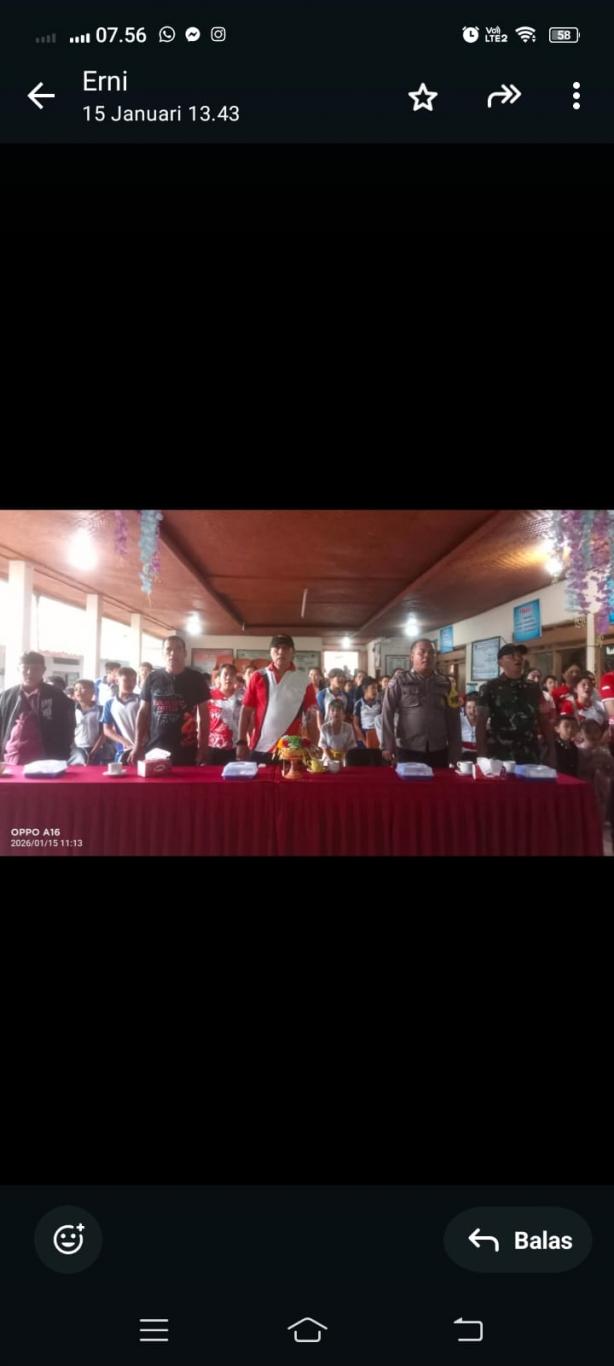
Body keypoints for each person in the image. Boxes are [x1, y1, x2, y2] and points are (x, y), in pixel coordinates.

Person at [236, 634, 318, 764]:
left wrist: (314, 746)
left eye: (285, 648)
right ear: (270, 652)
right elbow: (245, 711)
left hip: (291, 750)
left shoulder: (304, 680)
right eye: (277, 647)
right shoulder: (258, 676)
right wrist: (241, 742)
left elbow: (311, 717)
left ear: (293, 652)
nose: (281, 652)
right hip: (260, 747)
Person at [129, 636, 210, 766]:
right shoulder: (152, 678)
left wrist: (203, 746)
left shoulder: (196, 678)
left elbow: (204, 715)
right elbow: (143, 712)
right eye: (168, 649)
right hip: (156, 748)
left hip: (187, 748)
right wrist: (137, 744)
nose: (173, 653)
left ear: (185, 653)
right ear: (163, 653)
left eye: (178, 649)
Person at [381, 638, 462, 768]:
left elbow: (453, 718)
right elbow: (387, 713)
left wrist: (456, 750)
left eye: (431, 653)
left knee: (439, 781)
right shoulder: (399, 681)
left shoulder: (446, 683)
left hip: (438, 748)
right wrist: (387, 745)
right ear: (412, 657)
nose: (427, 656)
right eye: (422, 652)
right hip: (409, 748)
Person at [476, 643, 556, 765]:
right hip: (500, 753)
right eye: (511, 656)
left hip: (529, 753)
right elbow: (481, 723)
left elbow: (544, 720)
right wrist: (482, 755)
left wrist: (552, 750)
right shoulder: (489, 688)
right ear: (500, 663)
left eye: (519, 655)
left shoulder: (533, 688)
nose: (517, 659)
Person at [0, 650, 75, 764]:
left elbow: (68, 728)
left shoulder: (57, 696)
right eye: (25, 668)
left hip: (45, 760)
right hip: (11, 759)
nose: (29, 672)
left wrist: (62, 755)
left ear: (43, 670)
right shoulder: (6, 697)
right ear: (18, 669)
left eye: (35, 669)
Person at [576, 718, 614, 826]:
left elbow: (611, 771)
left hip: (602, 791)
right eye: (588, 731)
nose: (592, 735)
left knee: (599, 819)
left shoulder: (604, 751)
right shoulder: (578, 751)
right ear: (581, 733)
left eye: (596, 731)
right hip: (584, 789)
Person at [207, 662, 242, 764]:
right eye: (225, 674)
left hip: (236, 746)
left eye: (232, 675)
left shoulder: (242, 697)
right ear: (219, 677)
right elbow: (202, 721)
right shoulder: (209, 696)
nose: (228, 677)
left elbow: (249, 721)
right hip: (213, 746)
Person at [102, 666, 140, 760]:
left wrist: (139, 744)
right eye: (126, 680)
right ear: (117, 681)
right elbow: (107, 729)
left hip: (143, 748)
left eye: (134, 680)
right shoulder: (110, 704)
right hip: (123, 750)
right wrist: (126, 742)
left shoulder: (141, 700)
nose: (131, 683)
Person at [70, 678, 106, 765]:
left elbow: (104, 732)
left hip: (97, 749)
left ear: (92, 692)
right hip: (77, 749)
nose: (78, 691)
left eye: (82, 688)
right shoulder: (71, 710)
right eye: (76, 689)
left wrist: (94, 750)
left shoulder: (101, 710)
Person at [319, 697, 357, 762]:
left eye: (338, 710)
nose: (335, 713)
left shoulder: (348, 727)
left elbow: (351, 744)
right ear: (329, 713)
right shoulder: (324, 728)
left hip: (344, 757)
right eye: (332, 710)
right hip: (328, 758)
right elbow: (323, 745)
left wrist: (342, 756)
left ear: (343, 713)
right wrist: (332, 759)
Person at [352, 676, 382, 749]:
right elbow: (356, 724)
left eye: (376, 688)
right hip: (364, 734)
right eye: (373, 688)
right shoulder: (359, 704)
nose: (375, 691)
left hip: (378, 733)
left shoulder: (379, 703)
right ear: (365, 689)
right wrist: (364, 741)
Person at [553, 712, 580, 777]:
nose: (570, 729)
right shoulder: (553, 747)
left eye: (573, 726)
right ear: (557, 729)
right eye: (566, 726)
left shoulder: (575, 747)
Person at [460, 693, 478, 759]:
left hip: (479, 756)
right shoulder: (460, 720)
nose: (472, 710)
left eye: (474, 707)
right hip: (463, 756)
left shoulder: (483, 721)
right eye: (469, 707)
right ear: (465, 708)